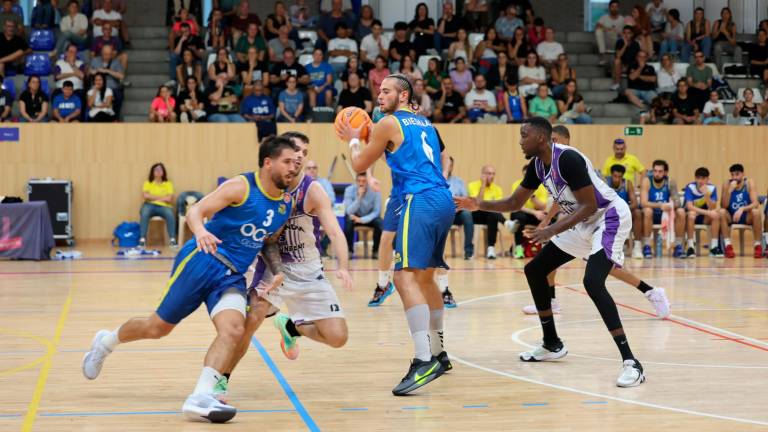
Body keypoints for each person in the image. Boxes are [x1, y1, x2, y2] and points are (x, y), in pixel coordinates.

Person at [82, 137, 299, 423]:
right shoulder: (241, 186)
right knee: (157, 328)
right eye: (287, 161)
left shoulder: (286, 204)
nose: (293, 168)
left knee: (234, 330)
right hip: (202, 260)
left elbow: (268, 241)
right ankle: (105, 342)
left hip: (231, 276)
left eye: (296, 163)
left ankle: (200, 396)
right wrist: (200, 231)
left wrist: (277, 268)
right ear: (268, 162)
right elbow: (195, 211)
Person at [455, 117, 646, 387]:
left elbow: (590, 204)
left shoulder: (568, 159)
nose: (520, 140)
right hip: (581, 222)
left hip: (608, 217)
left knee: (592, 281)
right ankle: (551, 343)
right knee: (535, 269)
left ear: (541, 138)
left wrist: (551, 230)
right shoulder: (537, 165)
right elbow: (515, 201)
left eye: (524, 135)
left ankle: (632, 362)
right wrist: (478, 205)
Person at [338, 73, 454, 396]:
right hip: (441, 199)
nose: (380, 94)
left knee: (403, 278)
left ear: (403, 96)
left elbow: (360, 162)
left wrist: (352, 137)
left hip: (418, 199)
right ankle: (439, 353)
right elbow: (442, 155)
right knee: (427, 279)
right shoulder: (425, 123)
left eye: (386, 90)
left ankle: (422, 360)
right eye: (379, 90)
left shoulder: (389, 123)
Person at [226, 132, 352, 373]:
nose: (299, 156)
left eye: (305, 153)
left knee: (338, 337)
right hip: (272, 268)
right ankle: (221, 377)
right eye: (295, 150)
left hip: (307, 268)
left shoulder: (312, 190)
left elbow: (335, 233)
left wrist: (343, 265)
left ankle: (291, 326)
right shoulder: (265, 185)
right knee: (250, 321)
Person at [520, 125, 670, 318]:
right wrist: (548, 221)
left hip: (602, 219)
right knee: (548, 258)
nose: (552, 144)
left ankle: (651, 292)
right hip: (581, 223)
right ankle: (551, 301)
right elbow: (560, 199)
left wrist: (550, 224)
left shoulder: (572, 161)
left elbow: (585, 202)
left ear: (566, 140)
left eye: (555, 140)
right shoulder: (549, 165)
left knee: (608, 270)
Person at [640, 159, 686, 258]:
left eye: (660, 171)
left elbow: (677, 202)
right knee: (647, 211)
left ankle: (678, 246)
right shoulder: (647, 181)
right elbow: (643, 203)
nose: (657, 174)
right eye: (655, 171)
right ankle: (647, 246)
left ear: (665, 172)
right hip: (652, 214)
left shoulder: (670, 182)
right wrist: (661, 206)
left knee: (681, 212)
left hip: (667, 215)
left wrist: (670, 205)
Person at [718, 164, 763, 259]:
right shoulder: (727, 183)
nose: (734, 177)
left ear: (743, 174)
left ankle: (758, 246)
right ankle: (728, 245)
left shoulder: (749, 183)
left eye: (737, 174)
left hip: (746, 216)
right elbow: (724, 205)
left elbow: (755, 203)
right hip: (731, 216)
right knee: (721, 212)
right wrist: (729, 191)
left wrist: (742, 208)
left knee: (756, 212)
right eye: (732, 175)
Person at [506, 164, 548, 259]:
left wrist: (532, 195)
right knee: (519, 217)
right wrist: (534, 212)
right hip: (520, 212)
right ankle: (519, 248)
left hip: (535, 214)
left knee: (549, 219)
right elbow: (516, 205)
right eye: (526, 176)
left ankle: (546, 249)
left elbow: (542, 206)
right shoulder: (517, 185)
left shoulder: (541, 186)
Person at [467, 165, 506, 259]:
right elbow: (477, 203)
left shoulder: (498, 189)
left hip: (491, 216)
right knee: (491, 209)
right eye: (489, 173)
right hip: (476, 214)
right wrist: (483, 185)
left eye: (493, 174)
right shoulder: (472, 185)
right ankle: (506, 222)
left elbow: (499, 207)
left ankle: (491, 249)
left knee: (493, 213)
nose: (491, 176)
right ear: (482, 175)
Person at [683, 167, 722, 258]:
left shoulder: (712, 188)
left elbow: (712, 207)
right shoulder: (690, 187)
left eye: (703, 178)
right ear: (695, 178)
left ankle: (714, 247)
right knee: (691, 215)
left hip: (704, 217)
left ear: (708, 179)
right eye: (698, 178)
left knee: (716, 215)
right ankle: (690, 247)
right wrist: (708, 213)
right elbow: (689, 207)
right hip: (691, 216)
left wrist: (706, 195)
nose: (700, 181)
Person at [606, 165, 643, 259]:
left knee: (638, 213)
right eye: (615, 176)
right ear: (611, 175)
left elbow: (634, 203)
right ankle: (606, 247)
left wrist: (623, 210)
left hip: (625, 212)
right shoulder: (605, 183)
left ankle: (637, 246)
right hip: (609, 213)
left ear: (622, 176)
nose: (617, 179)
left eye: (619, 177)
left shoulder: (627, 183)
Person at [343, 172, 383, 258]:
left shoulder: (375, 190)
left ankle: (375, 251)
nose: (361, 183)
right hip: (354, 216)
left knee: (380, 223)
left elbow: (377, 211)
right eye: (359, 181)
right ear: (356, 181)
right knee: (348, 222)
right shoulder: (349, 190)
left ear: (368, 182)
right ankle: (349, 250)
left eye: (364, 181)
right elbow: (349, 211)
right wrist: (359, 198)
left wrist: (362, 219)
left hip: (369, 217)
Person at [137, 163, 177, 247]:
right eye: (156, 170)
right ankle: (142, 239)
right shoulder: (148, 183)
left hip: (164, 206)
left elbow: (169, 199)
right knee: (144, 213)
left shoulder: (168, 184)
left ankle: (172, 240)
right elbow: (145, 196)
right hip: (149, 205)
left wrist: (152, 197)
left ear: (163, 172)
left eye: (160, 169)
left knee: (170, 214)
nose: (158, 171)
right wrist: (162, 197)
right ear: (152, 172)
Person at [446, 156, 473, 261]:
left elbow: (465, 199)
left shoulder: (458, 181)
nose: (448, 167)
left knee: (467, 214)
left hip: (457, 212)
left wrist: (458, 207)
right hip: (442, 213)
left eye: (450, 165)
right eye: (446, 165)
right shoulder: (435, 181)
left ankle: (468, 252)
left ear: (452, 167)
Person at [711, 7, 742, 72]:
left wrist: (725, 32)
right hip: (718, 43)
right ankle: (718, 70)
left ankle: (737, 69)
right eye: (723, 13)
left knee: (738, 49)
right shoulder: (717, 22)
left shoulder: (733, 25)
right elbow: (713, 37)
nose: (725, 15)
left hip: (729, 44)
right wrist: (720, 30)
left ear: (730, 15)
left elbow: (734, 43)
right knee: (717, 47)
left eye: (727, 13)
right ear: (721, 15)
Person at [611, 26, 640, 91]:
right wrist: (625, 45)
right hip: (622, 65)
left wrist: (629, 66)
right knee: (617, 61)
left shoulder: (636, 44)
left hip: (631, 65)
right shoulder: (619, 42)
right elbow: (618, 56)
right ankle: (617, 83)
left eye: (628, 33)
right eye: (624, 33)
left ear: (632, 34)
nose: (626, 35)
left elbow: (637, 58)